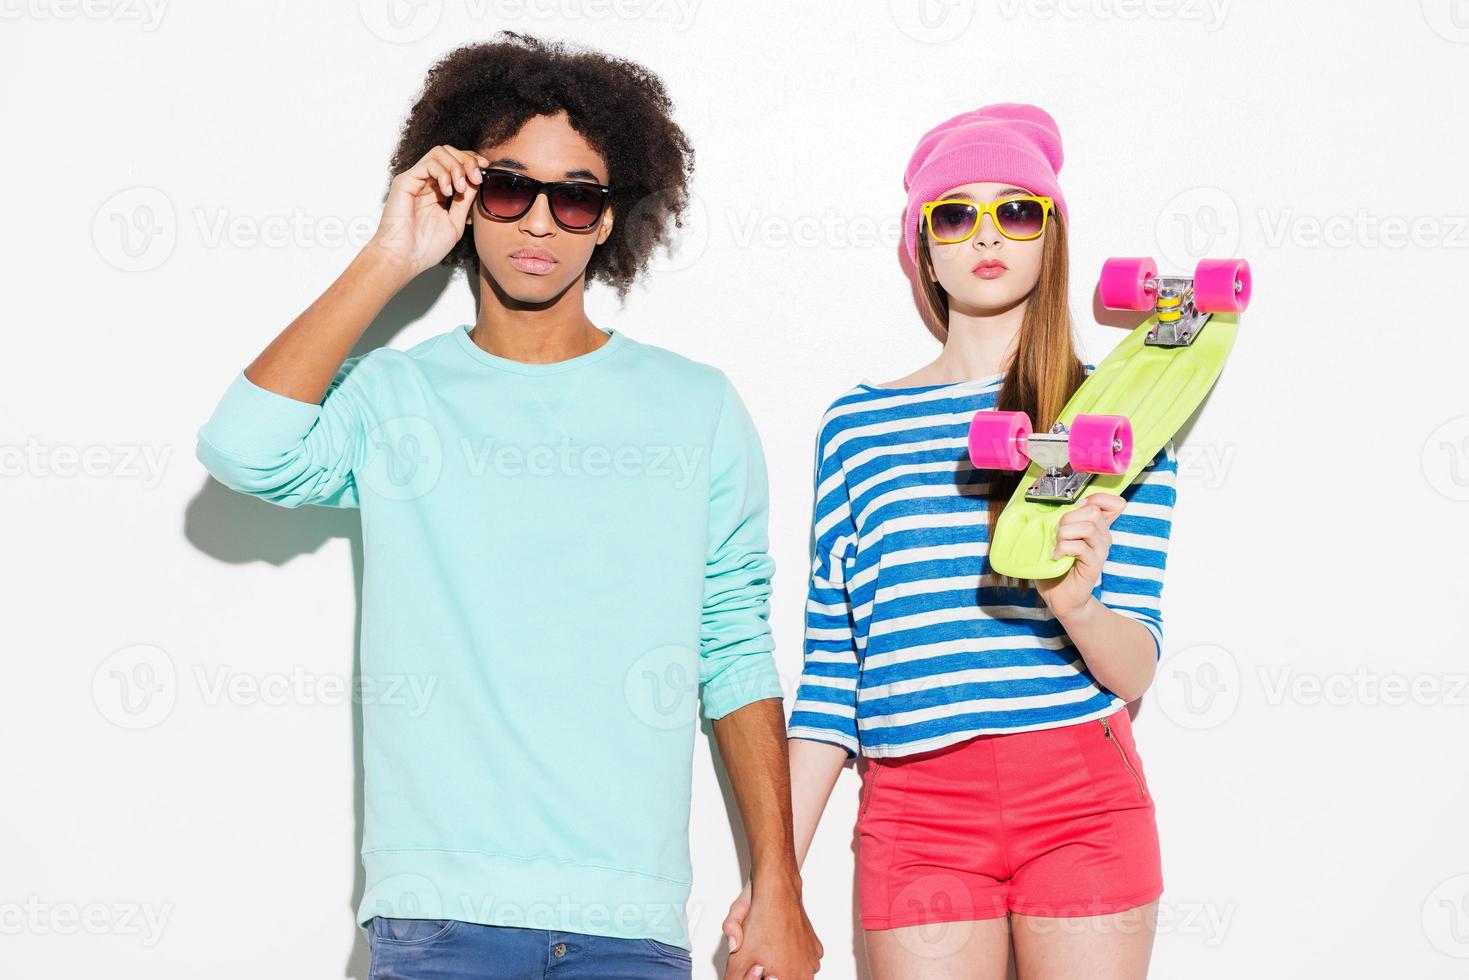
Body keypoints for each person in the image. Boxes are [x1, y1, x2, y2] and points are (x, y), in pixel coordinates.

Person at [195, 33, 821, 980]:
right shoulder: (392, 396)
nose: (539, 222)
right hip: (438, 912)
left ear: (607, 221)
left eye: (576, 195)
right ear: (466, 196)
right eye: (506, 188)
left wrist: (779, 883)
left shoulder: (693, 407)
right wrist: (390, 252)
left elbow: (734, 645)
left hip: (629, 913)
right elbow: (241, 451)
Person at [722, 103, 1177, 979]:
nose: (985, 234)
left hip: (1080, 791)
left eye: (1016, 210)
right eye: (954, 213)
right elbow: (831, 674)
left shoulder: (1113, 415)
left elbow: (1137, 667)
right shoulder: (860, 428)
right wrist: (773, 875)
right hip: (915, 808)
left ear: (1051, 238)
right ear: (922, 247)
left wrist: (1076, 604)